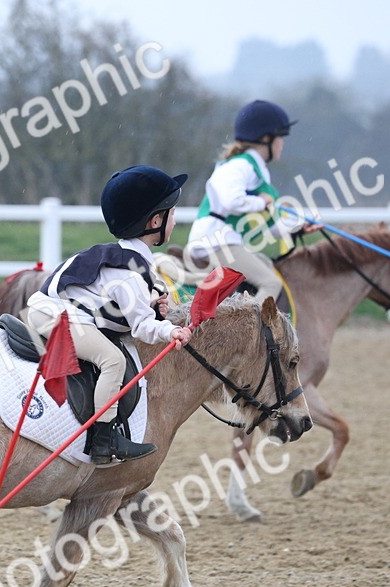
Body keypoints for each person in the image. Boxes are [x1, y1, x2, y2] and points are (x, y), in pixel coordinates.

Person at [27, 166, 193, 465]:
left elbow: (117, 304)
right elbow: (141, 328)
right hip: (57, 316)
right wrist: (170, 331)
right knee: (112, 360)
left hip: (56, 309)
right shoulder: (128, 272)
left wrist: (153, 302)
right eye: (173, 212)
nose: (176, 218)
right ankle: (103, 440)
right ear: (156, 221)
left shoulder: (127, 258)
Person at [185, 100, 320, 305]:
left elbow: (269, 226)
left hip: (225, 241)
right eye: (280, 137)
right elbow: (232, 201)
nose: (282, 143)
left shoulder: (256, 171)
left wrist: (299, 227)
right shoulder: (239, 166)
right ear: (265, 138)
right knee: (271, 284)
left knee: (268, 265)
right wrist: (260, 201)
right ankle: (249, 334)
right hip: (215, 242)